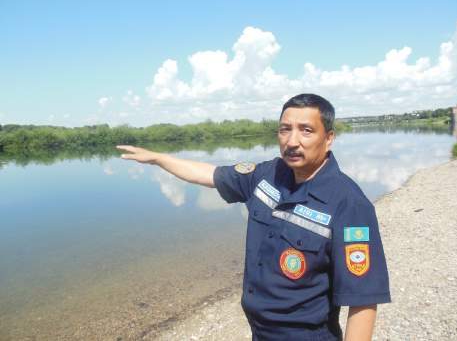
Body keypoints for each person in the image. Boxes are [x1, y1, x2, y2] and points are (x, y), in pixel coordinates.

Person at [117, 93, 391, 341]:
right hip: (260, 332)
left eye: (306, 131)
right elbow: (209, 174)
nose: (292, 141)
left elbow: (363, 299)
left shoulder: (349, 204)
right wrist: (158, 159)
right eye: (285, 130)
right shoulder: (267, 175)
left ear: (328, 138)